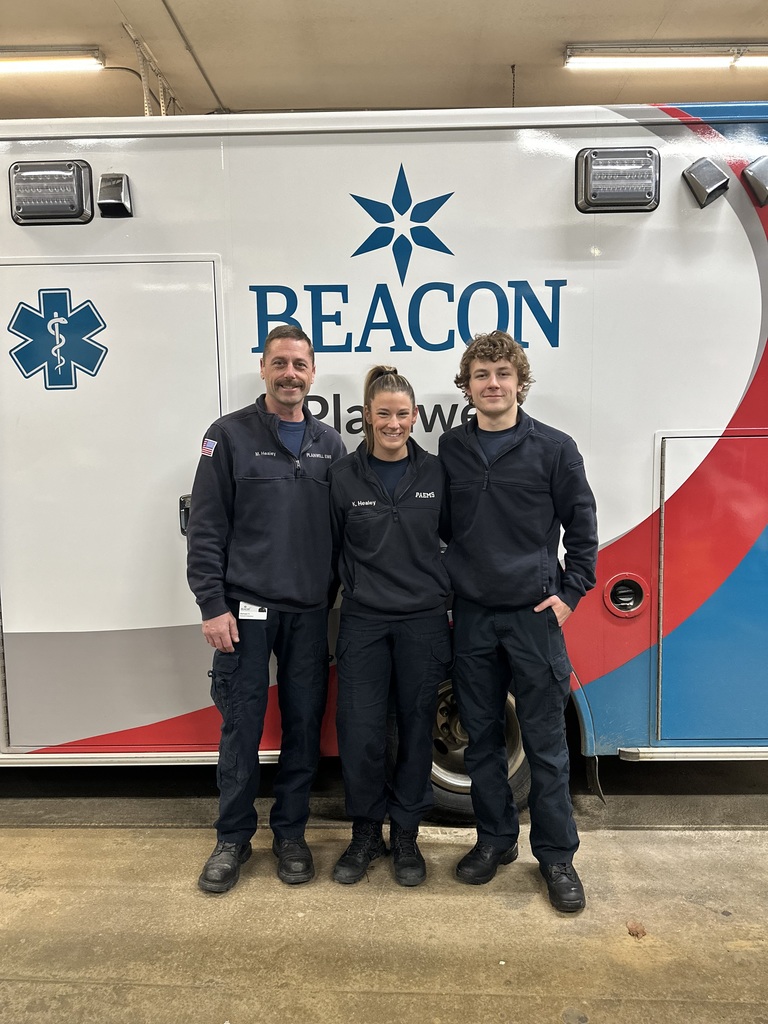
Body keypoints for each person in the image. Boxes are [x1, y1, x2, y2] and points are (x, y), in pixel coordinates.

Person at [439, 330, 598, 912]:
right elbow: (441, 528)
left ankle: (556, 858)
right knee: (481, 740)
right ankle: (495, 841)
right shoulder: (452, 448)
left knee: (547, 747)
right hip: (474, 618)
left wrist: (572, 592)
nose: (492, 384)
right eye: (481, 374)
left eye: (503, 373)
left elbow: (582, 527)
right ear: (467, 385)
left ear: (520, 382)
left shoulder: (555, 449)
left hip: (534, 619)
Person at [187, 324, 346, 894]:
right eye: (279, 363)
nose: (289, 374)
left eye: (299, 364)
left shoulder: (331, 445)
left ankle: (290, 835)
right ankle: (232, 838)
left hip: (308, 614)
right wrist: (212, 604)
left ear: (312, 372)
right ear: (263, 369)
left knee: (303, 727)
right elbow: (206, 528)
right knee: (242, 729)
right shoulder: (226, 436)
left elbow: (344, 531)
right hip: (244, 613)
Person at [329, 366, 452, 887]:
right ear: (366, 417)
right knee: (360, 730)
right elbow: (331, 548)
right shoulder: (343, 476)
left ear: (416, 417)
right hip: (363, 620)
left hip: (424, 621)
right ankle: (364, 833)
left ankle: (405, 834)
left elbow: (457, 539)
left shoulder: (436, 474)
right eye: (384, 414)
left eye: (403, 414)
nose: (393, 423)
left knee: (416, 728)